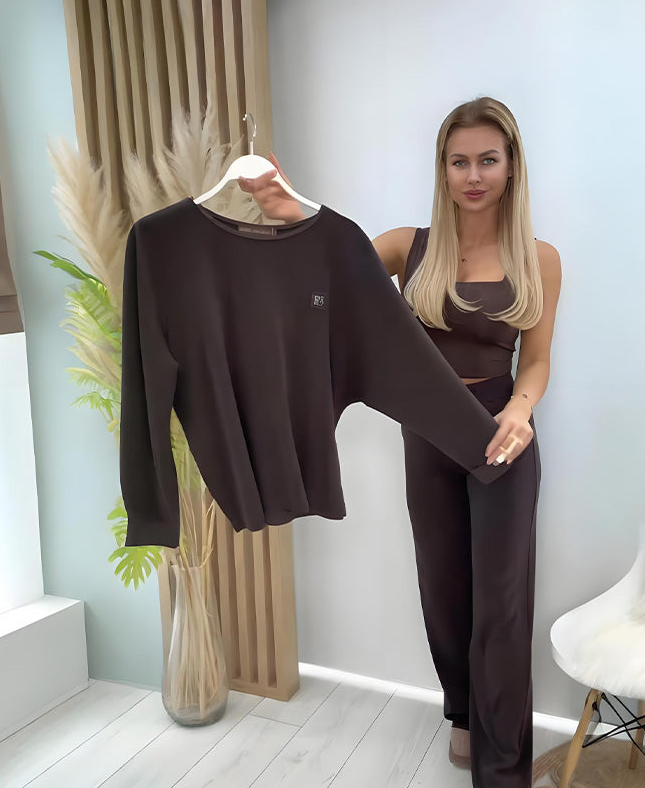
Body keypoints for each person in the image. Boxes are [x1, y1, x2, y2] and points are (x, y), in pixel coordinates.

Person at [238, 96, 561, 788]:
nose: (473, 175)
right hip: (428, 433)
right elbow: (333, 261)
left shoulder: (539, 258)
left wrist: (522, 408)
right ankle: (465, 713)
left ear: (511, 166)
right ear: (443, 169)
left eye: (488, 160)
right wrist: (288, 208)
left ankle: (503, 770)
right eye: (459, 161)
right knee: (443, 590)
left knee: (502, 604)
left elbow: (536, 359)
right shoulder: (407, 247)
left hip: (501, 435)